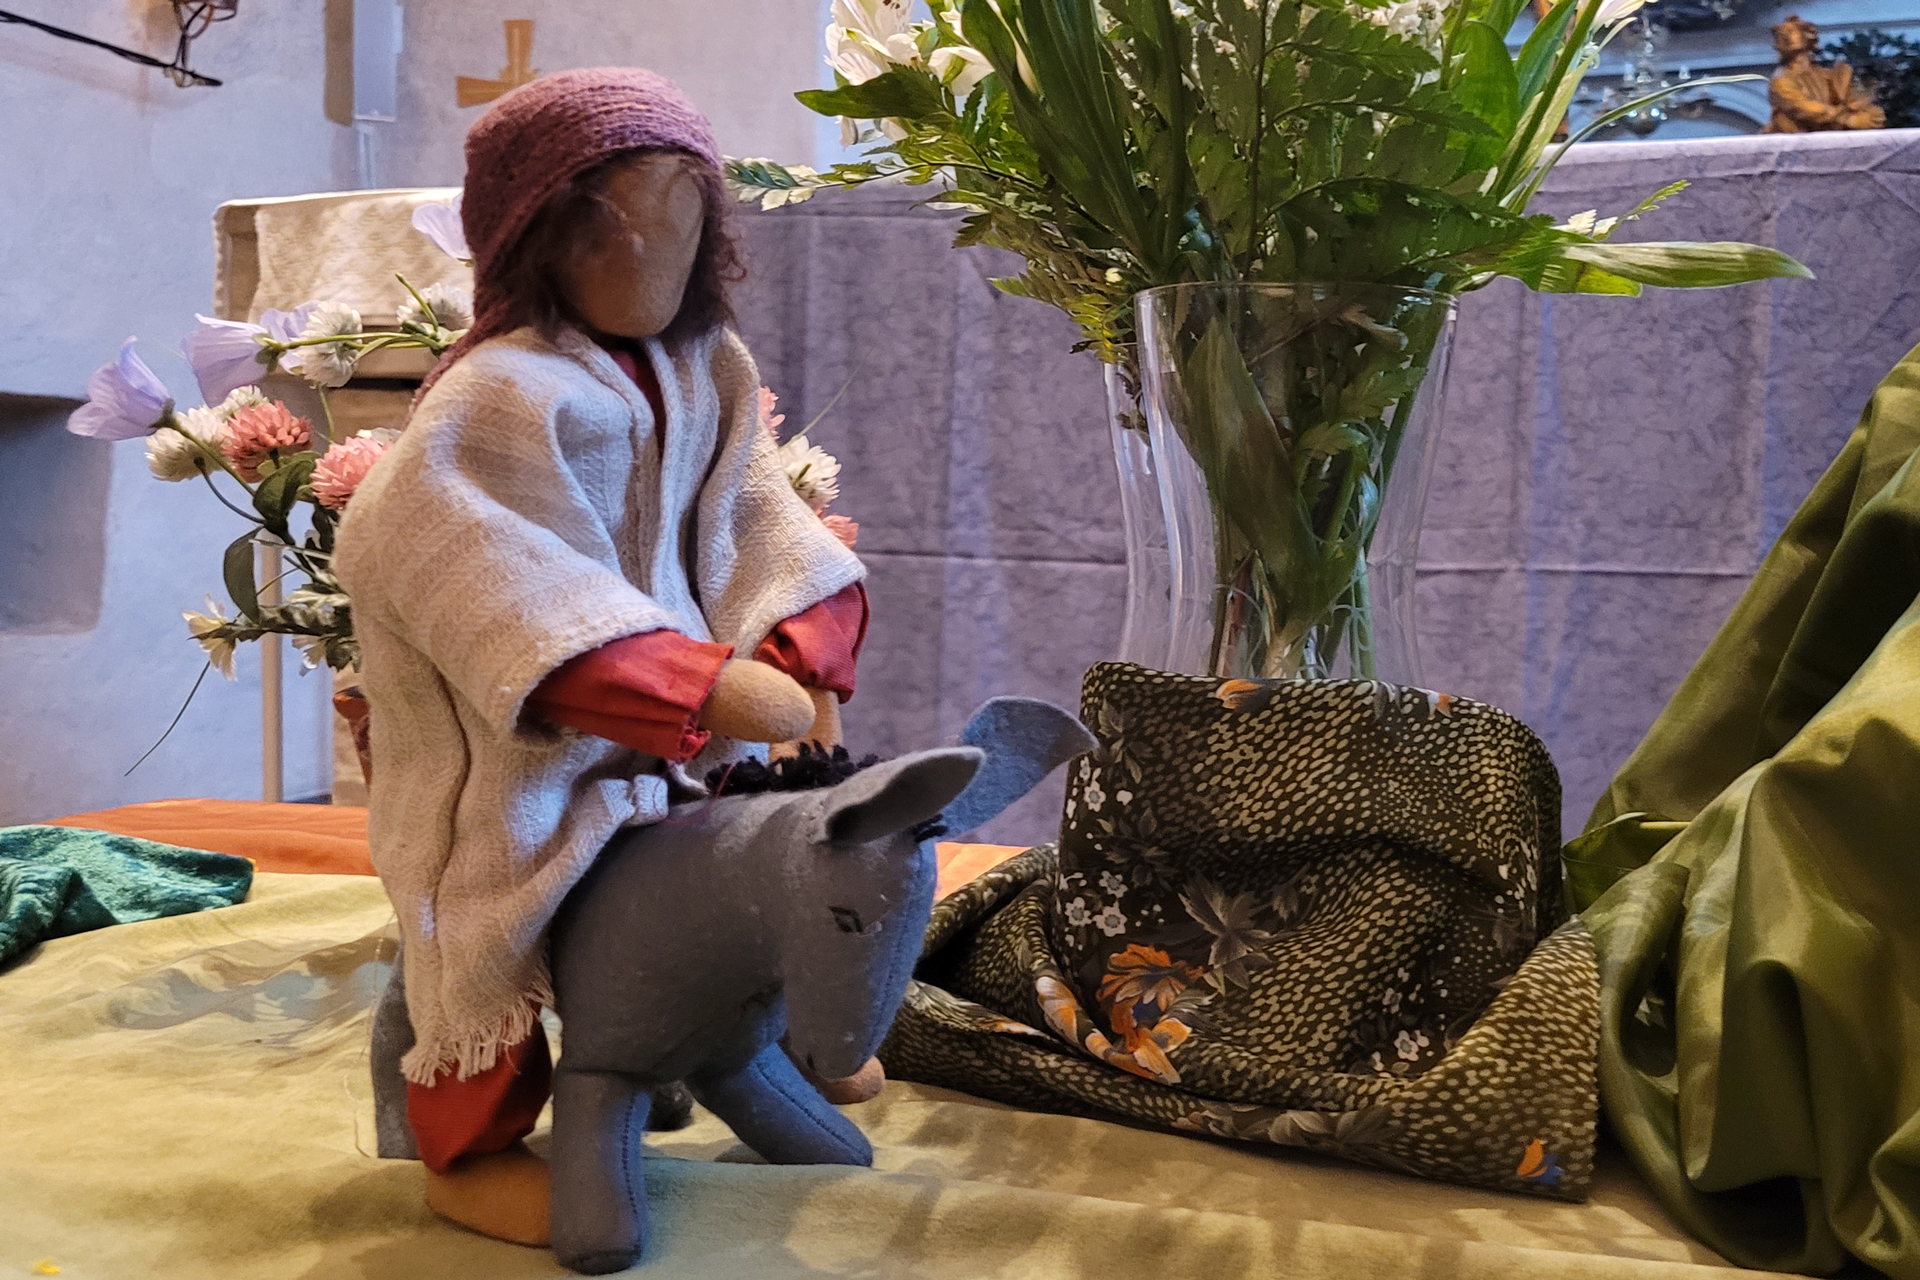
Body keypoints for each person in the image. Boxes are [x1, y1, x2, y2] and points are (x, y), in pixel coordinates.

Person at [335, 67, 868, 1246]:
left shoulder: (706, 366)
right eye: (612, 228)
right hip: (515, 752)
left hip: (684, 745)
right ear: (537, 233)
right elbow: (475, 569)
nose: (651, 258)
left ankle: (765, 1041)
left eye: (681, 222)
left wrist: (803, 643)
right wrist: (687, 679)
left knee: (758, 868)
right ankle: (467, 1154)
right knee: (487, 931)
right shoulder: (493, 394)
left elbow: (760, 517)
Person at [1764, 14, 1885, 133]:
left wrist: (1866, 115)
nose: (1787, 36)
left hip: (1830, 135)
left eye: (1791, 31)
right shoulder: (1780, 79)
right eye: (1785, 33)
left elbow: (1853, 100)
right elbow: (1803, 108)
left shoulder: (1826, 75)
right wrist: (1847, 118)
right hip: (1797, 138)